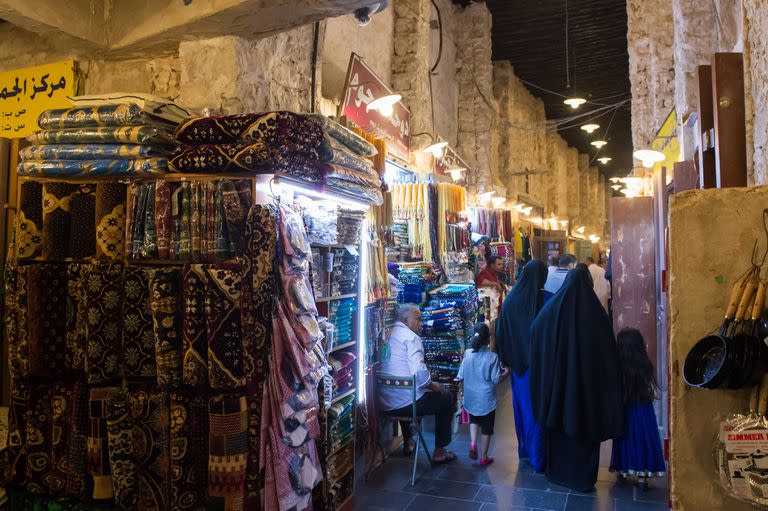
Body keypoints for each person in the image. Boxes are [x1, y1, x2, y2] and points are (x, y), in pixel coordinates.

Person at [530, 264, 623, 492]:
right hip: (586, 401)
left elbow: (536, 332)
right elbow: (608, 357)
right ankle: (582, 479)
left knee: (558, 436)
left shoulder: (550, 313)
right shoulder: (597, 317)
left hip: (557, 399)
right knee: (584, 436)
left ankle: (557, 473)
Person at [378, 303, 457, 464]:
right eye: (418, 320)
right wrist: (434, 386)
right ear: (406, 320)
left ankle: (408, 441)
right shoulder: (411, 338)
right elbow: (419, 373)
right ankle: (440, 451)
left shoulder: (387, 333)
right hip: (407, 404)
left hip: (384, 401)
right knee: (447, 397)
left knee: (406, 391)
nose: (421, 324)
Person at [495, 259, 548, 471]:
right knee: (536, 410)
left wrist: (507, 361)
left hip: (518, 367)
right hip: (538, 366)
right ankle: (538, 456)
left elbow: (502, 334)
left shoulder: (511, 300)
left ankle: (525, 451)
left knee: (522, 409)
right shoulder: (543, 300)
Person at [610, 328, 666, 491]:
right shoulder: (645, 365)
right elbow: (652, 390)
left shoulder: (618, 368)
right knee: (643, 441)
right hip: (644, 410)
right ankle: (642, 478)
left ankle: (622, 471)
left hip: (625, 410)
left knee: (625, 440)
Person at [456, 323, 507, 466]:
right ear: (489, 339)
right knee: (486, 427)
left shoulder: (467, 354)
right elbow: (496, 379)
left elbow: (460, 376)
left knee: (474, 420)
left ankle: (473, 444)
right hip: (486, 399)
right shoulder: (493, 357)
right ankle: (484, 456)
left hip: (471, 397)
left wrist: (462, 392)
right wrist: (507, 373)